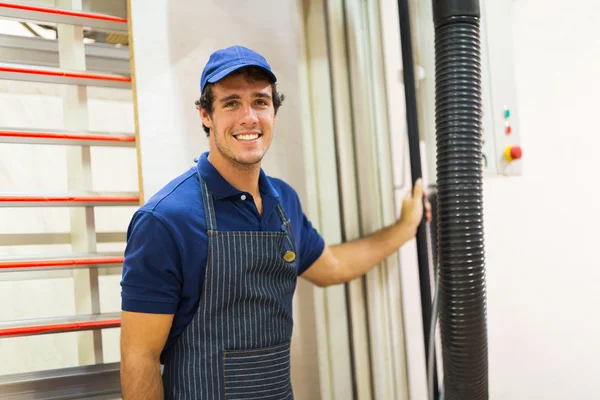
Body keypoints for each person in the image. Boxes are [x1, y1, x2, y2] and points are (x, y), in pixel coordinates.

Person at [119, 45, 431, 400]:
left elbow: (332, 267)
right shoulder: (166, 219)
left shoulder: (283, 202)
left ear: (275, 113)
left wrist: (405, 228)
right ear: (205, 114)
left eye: (261, 102)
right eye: (231, 103)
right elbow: (139, 356)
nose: (248, 117)